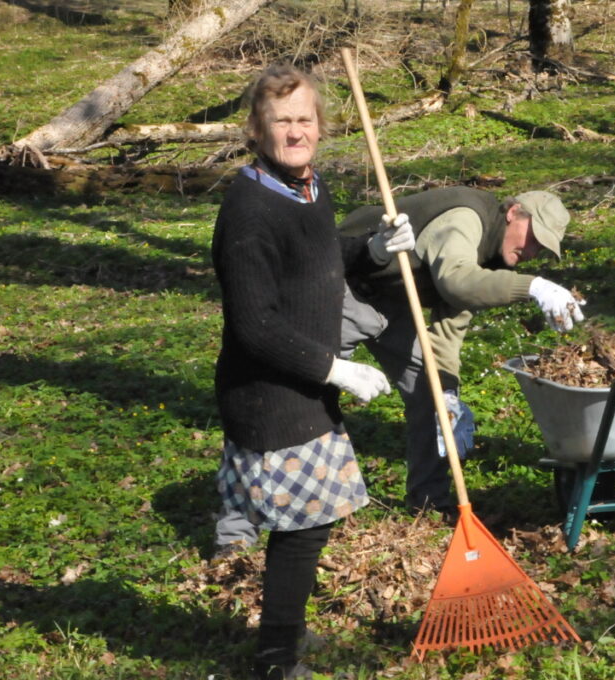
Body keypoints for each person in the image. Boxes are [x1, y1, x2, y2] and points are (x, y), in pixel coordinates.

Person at [210, 64, 413, 680]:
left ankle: (288, 634)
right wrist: (335, 370)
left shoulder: (307, 187)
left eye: (304, 119)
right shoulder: (249, 211)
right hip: (269, 394)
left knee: (310, 526)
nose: (295, 132)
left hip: (304, 386)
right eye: (281, 121)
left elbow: (318, 255)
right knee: (300, 531)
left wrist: (370, 251)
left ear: (320, 126)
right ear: (256, 130)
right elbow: (255, 325)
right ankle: (277, 662)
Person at [333, 186, 585, 515]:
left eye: (542, 248)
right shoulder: (465, 219)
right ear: (513, 213)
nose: (532, 251)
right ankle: (311, 497)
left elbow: (452, 320)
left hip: (392, 303)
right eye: (533, 237)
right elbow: (458, 282)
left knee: (432, 394)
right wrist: (532, 286)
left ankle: (428, 505)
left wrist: (447, 391)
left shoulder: (493, 257)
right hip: (341, 286)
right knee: (310, 387)